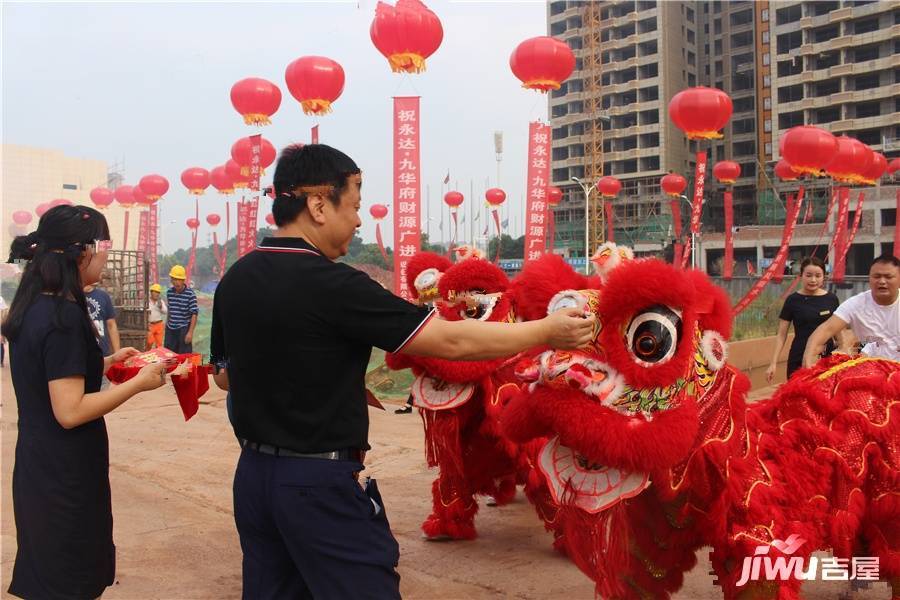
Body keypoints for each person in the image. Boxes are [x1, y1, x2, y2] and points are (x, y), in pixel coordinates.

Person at [210, 144, 594, 600]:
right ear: (317, 205)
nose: (357, 220)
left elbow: (225, 377)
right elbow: (451, 342)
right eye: (352, 206)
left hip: (253, 479)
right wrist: (545, 331)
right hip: (318, 486)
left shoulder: (237, 278)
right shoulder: (334, 285)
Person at [2, 205, 168, 600]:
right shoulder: (64, 316)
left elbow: (51, 375)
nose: (107, 255)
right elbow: (70, 411)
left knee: (50, 569)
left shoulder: (33, 306)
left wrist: (107, 363)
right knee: (68, 577)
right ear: (82, 253)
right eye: (103, 245)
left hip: (38, 463)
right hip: (64, 472)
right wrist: (138, 385)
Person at [804, 254, 900, 367]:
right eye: (876, 276)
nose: (882, 281)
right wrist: (808, 359)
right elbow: (826, 329)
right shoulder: (856, 304)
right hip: (870, 371)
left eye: (888, 277)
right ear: (869, 278)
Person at [766, 256, 840, 382]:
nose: (813, 280)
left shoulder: (831, 299)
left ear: (824, 277)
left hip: (826, 356)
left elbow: (838, 331)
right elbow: (781, 335)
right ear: (801, 276)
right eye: (809, 275)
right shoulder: (792, 300)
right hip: (799, 354)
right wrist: (773, 363)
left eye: (818, 275)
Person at [164, 265, 198, 354]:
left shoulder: (190, 294)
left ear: (183, 280)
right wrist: (166, 324)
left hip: (183, 329)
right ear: (171, 280)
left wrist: (190, 333)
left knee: (184, 357)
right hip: (170, 329)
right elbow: (170, 309)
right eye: (174, 279)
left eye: (179, 279)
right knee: (169, 356)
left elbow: (194, 314)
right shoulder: (169, 293)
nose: (176, 282)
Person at [84, 279, 119, 357]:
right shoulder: (71, 296)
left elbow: (111, 325)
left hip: (102, 351)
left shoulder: (103, 296)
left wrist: (117, 353)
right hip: (80, 352)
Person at [147, 282, 167, 349]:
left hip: (159, 324)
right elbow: (141, 310)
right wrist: (147, 311)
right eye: (155, 292)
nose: (157, 294)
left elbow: (165, 311)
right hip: (150, 325)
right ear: (151, 292)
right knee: (149, 342)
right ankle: (147, 355)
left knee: (159, 344)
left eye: (158, 292)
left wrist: (161, 306)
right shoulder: (146, 302)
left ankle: (158, 357)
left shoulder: (160, 301)